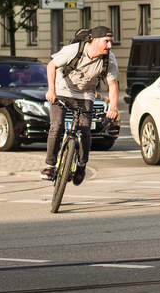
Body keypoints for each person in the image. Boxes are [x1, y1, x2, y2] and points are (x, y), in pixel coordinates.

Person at [40, 26, 119, 185]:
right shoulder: (73, 51)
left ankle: (81, 165)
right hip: (62, 91)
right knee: (57, 126)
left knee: (85, 131)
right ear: (95, 40)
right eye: (106, 41)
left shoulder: (109, 60)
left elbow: (112, 85)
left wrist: (114, 108)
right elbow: (51, 66)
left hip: (85, 95)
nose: (109, 46)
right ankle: (50, 166)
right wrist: (51, 90)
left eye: (111, 42)